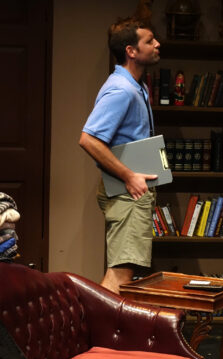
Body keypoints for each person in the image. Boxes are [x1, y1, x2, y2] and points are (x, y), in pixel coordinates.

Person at [79, 17, 160, 294]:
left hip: (130, 191)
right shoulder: (121, 90)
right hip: (127, 193)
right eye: (149, 41)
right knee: (120, 276)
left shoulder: (138, 86)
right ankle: (94, 322)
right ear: (131, 51)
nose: (157, 44)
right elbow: (88, 139)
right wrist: (128, 176)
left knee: (123, 273)